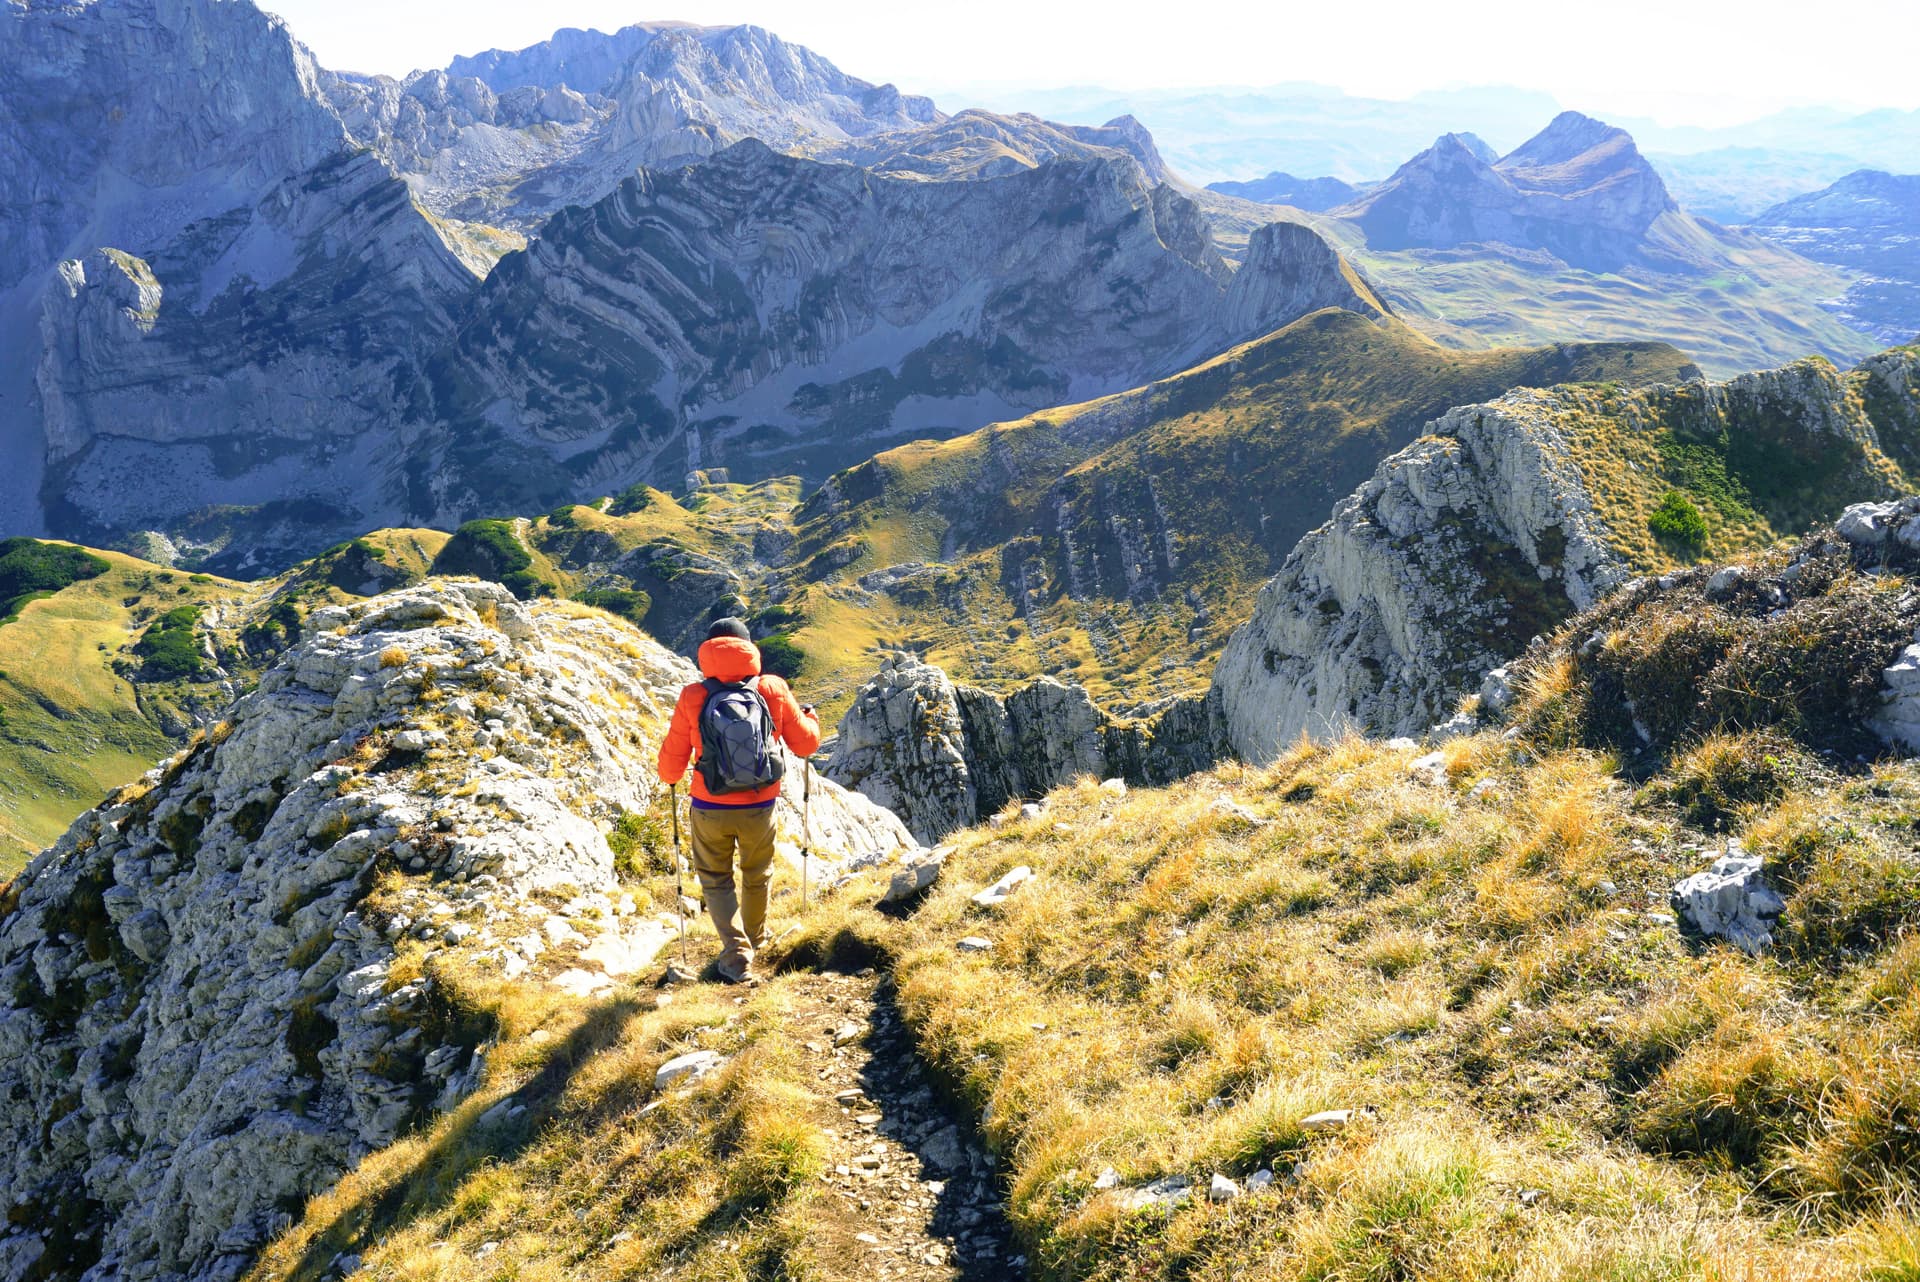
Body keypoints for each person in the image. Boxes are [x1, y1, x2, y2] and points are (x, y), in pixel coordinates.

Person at [656, 618, 821, 983]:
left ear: (708, 651)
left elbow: (671, 765)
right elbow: (807, 744)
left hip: (709, 805)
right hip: (759, 805)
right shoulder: (772, 689)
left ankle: (736, 953)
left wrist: (671, 775)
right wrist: (811, 718)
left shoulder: (693, 697)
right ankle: (755, 939)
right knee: (757, 873)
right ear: (749, 649)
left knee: (716, 879)